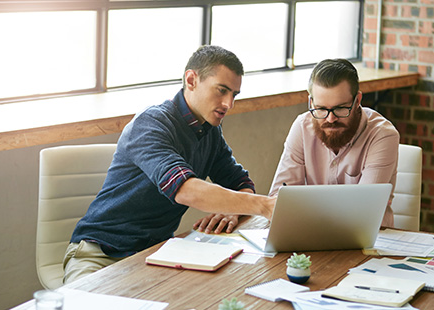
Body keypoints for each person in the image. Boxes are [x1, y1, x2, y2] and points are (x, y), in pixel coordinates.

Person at [64, 45, 275, 284]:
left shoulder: (209, 130)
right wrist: (265, 206)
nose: (228, 104)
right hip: (101, 255)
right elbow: (185, 190)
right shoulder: (151, 123)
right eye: (221, 90)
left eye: (234, 94)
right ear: (191, 80)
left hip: (156, 255)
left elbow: (240, 182)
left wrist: (234, 209)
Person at [269, 58, 399, 228]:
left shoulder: (382, 135)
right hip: (310, 234)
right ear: (311, 102)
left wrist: (303, 205)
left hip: (369, 241)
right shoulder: (302, 126)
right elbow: (278, 201)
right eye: (321, 109)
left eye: (340, 108)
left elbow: (364, 211)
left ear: (357, 100)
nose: (330, 119)